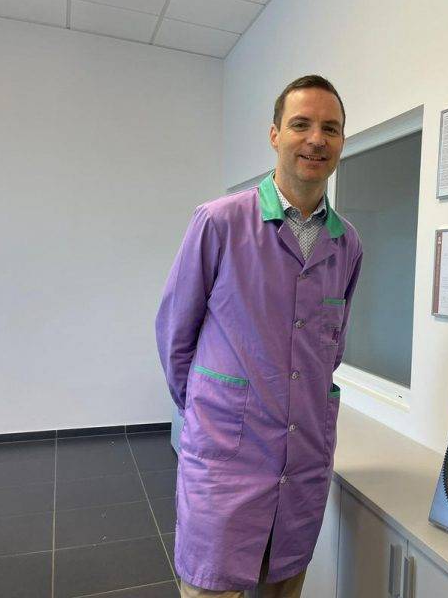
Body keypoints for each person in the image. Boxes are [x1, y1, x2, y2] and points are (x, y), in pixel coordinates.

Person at [155, 75, 362, 597]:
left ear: (341, 141)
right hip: (227, 458)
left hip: (304, 456)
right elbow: (176, 334)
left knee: (284, 585)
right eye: (301, 124)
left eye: (330, 128)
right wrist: (208, 409)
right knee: (212, 587)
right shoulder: (219, 222)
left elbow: (332, 348)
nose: (316, 139)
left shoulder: (347, 244)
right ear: (275, 134)